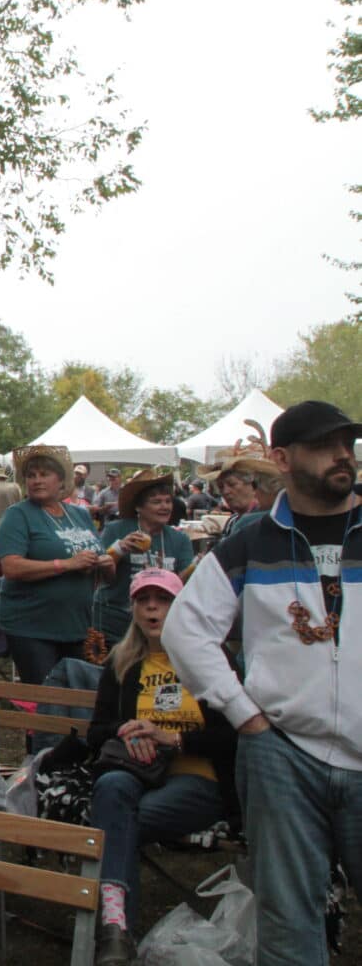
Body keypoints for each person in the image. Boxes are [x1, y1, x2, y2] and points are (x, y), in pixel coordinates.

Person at [164, 400, 362, 966]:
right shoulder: (250, 543)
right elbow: (187, 629)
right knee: (287, 918)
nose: (342, 454)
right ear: (282, 458)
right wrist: (241, 713)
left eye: (347, 443)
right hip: (283, 754)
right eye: (326, 445)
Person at [85, 568, 238, 965]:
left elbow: (237, 732)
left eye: (163, 599)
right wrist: (126, 729)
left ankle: (113, 931)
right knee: (112, 789)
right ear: (133, 608)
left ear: (181, 605)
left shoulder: (211, 658)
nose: (152, 608)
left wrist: (175, 739)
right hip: (138, 774)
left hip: (197, 779)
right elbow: (96, 731)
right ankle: (117, 931)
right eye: (143, 600)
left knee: (119, 824)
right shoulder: (123, 663)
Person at [0, 445, 112, 684]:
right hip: (32, 627)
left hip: (78, 626)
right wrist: (67, 564)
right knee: (47, 701)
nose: (37, 480)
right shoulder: (18, 515)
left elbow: (101, 574)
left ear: (61, 480)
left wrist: (106, 564)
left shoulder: (79, 515)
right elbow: (11, 567)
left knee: (81, 698)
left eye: (44, 474)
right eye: (31, 475)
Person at [93, 471, 194, 643]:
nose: (165, 507)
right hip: (115, 619)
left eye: (168, 501)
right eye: (156, 502)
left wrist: (196, 567)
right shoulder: (117, 530)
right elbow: (99, 575)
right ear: (139, 507)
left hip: (158, 622)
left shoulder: (179, 538)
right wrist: (119, 548)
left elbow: (181, 585)